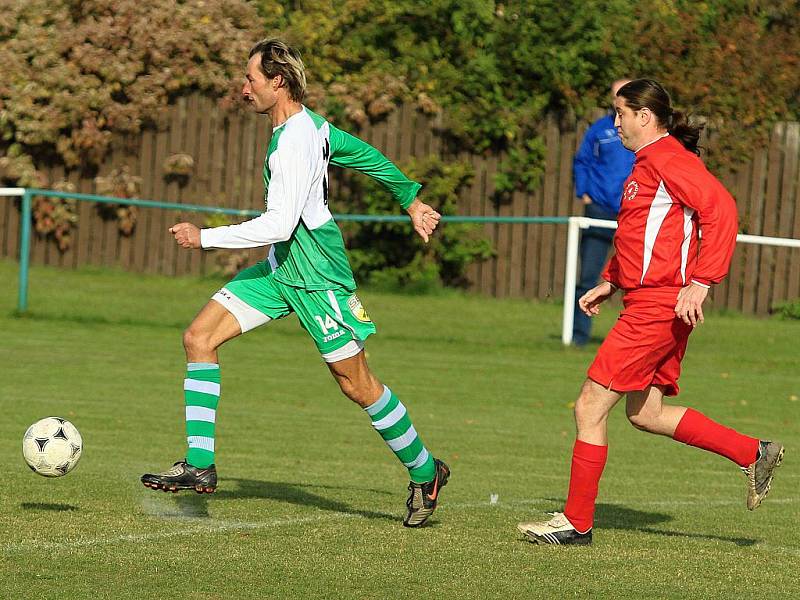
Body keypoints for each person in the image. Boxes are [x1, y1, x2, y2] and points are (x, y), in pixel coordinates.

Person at [141, 38, 450, 528]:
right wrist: (410, 200)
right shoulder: (309, 126)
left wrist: (205, 238)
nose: (245, 88)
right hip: (280, 270)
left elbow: (279, 224)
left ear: (277, 81)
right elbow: (366, 155)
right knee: (199, 338)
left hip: (318, 276)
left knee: (358, 385)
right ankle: (199, 468)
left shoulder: (294, 143)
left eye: (252, 80)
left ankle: (426, 471)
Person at [518, 79, 784, 545]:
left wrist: (701, 283)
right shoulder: (645, 166)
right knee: (646, 413)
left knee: (589, 405)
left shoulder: (669, 160)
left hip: (660, 307)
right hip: (650, 302)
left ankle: (576, 522)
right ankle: (753, 452)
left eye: (619, 112)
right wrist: (611, 280)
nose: (614, 121)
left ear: (644, 116)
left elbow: (721, 210)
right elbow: (641, 233)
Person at [571, 79, 635, 346]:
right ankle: (578, 336)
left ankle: (634, 339)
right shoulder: (600, 130)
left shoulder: (645, 135)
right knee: (588, 275)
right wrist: (584, 192)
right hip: (599, 207)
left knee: (636, 275)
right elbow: (582, 161)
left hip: (633, 212)